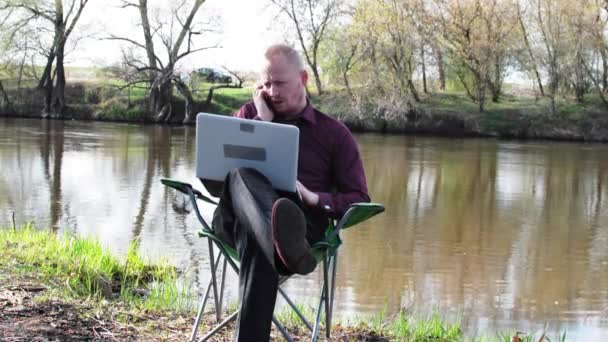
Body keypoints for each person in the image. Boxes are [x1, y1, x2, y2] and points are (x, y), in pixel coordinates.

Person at [201, 44, 369, 341]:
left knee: (260, 236)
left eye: (279, 83)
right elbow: (219, 180)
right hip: (236, 217)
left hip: (299, 223)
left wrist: (315, 199)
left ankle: (280, 236)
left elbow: (359, 198)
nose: (272, 90)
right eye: (265, 83)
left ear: (303, 79)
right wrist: (263, 124)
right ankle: (281, 241)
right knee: (241, 174)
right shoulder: (248, 116)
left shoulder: (334, 134)